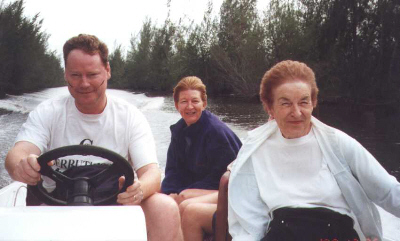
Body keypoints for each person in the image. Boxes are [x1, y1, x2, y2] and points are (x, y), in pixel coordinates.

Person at [4, 34, 183, 241]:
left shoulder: (130, 116)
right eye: (76, 75)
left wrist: (139, 189)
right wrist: (21, 165)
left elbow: (151, 172)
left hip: (113, 205)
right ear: (65, 75)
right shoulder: (47, 112)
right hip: (53, 207)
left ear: (107, 71)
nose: (84, 83)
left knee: (165, 207)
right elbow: (17, 154)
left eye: (92, 74)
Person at [228, 60, 400, 241]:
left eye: (303, 102)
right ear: (269, 107)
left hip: (335, 232)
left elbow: (387, 191)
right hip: (282, 233)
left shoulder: (337, 143)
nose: (296, 112)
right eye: (285, 103)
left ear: (313, 103)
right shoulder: (255, 150)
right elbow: (249, 217)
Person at [161, 76, 242, 240]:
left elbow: (226, 177)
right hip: (202, 186)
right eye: (184, 101)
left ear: (204, 104)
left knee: (184, 199)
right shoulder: (179, 132)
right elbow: (173, 170)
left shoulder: (216, 133)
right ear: (176, 105)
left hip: (230, 190)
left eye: (195, 101)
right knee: (161, 200)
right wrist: (170, 192)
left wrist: (183, 192)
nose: (189, 106)